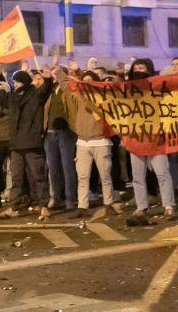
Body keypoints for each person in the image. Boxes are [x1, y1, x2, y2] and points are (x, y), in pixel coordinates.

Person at [0, 69, 54, 221]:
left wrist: (48, 80)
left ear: (23, 82)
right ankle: (17, 205)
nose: (14, 84)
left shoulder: (36, 95)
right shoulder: (13, 97)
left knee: (38, 175)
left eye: (16, 81)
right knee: (17, 177)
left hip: (31, 143)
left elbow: (46, 90)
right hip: (16, 144)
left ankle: (44, 206)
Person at [51, 67, 123, 219]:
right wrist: (58, 71)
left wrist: (119, 74)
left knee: (105, 176)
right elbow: (65, 85)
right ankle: (82, 206)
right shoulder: (79, 95)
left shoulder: (103, 97)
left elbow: (118, 88)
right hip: (82, 142)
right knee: (82, 177)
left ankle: (108, 204)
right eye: (85, 81)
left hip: (101, 141)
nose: (86, 83)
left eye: (90, 81)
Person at [123, 58, 175, 225]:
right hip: (135, 138)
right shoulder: (126, 89)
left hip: (155, 138)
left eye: (142, 67)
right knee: (138, 177)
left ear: (149, 69)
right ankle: (141, 207)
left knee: (163, 174)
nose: (139, 69)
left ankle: (168, 206)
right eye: (136, 67)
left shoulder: (158, 86)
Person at [44, 71, 78, 212]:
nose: (54, 75)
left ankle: (70, 198)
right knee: (53, 168)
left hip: (66, 133)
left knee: (67, 167)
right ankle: (55, 197)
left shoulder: (68, 89)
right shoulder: (49, 90)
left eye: (57, 73)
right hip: (50, 133)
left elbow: (74, 96)